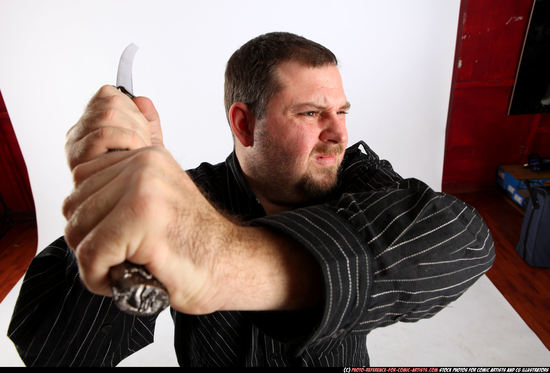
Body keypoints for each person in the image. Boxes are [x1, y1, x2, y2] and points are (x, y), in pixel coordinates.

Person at [8, 32, 495, 367]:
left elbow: (465, 241)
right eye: (311, 112)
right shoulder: (186, 199)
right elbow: (61, 352)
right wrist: (121, 207)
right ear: (244, 124)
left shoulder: (359, 179)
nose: (339, 134)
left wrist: (219, 260)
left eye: (342, 111)